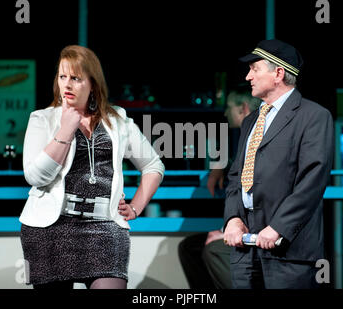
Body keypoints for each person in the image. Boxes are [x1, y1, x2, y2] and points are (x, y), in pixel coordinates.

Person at [19, 45, 164, 289]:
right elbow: (35, 176)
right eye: (62, 76)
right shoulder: (43, 119)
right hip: (50, 229)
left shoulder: (118, 119)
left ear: (92, 83)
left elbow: (152, 165)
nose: (67, 85)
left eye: (75, 78)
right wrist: (66, 129)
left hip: (105, 229)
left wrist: (136, 207)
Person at [223, 39, 334, 289]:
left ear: (278, 73)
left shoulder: (313, 117)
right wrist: (232, 218)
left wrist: (278, 227)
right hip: (246, 249)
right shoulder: (252, 120)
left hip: (289, 251)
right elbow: (235, 176)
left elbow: (312, 181)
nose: (248, 76)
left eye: (255, 69)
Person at [178, 90, 261, 289]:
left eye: (229, 107)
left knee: (211, 249)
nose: (225, 113)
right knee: (190, 247)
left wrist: (226, 231)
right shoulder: (244, 139)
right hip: (245, 226)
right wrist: (219, 167)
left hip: (260, 230)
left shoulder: (260, 140)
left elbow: (258, 198)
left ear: (243, 109)